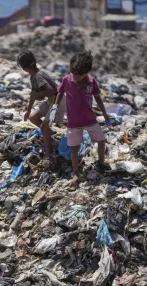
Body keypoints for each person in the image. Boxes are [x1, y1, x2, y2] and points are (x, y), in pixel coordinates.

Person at [52, 50, 110, 186]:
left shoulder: (91, 82)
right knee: (74, 148)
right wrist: (55, 106)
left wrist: (105, 114)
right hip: (73, 122)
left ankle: (101, 163)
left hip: (90, 119)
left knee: (101, 140)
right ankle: (75, 173)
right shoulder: (67, 80)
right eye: (74, 74)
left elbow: (98, 98)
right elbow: (60, 93)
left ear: (86, 72)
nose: (76, 77)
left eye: (79, 75)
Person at [17, 50, 66, 158]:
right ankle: (47, 133)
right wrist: (28, 110)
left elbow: (51, 90)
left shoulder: (38, 76)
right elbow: (33, 95)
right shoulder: (33, 76)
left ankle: (49, 154)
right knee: (33, 117)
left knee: (43, 127)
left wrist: (36, 94)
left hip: (58, 100)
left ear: (24, 67)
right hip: (50, 100)